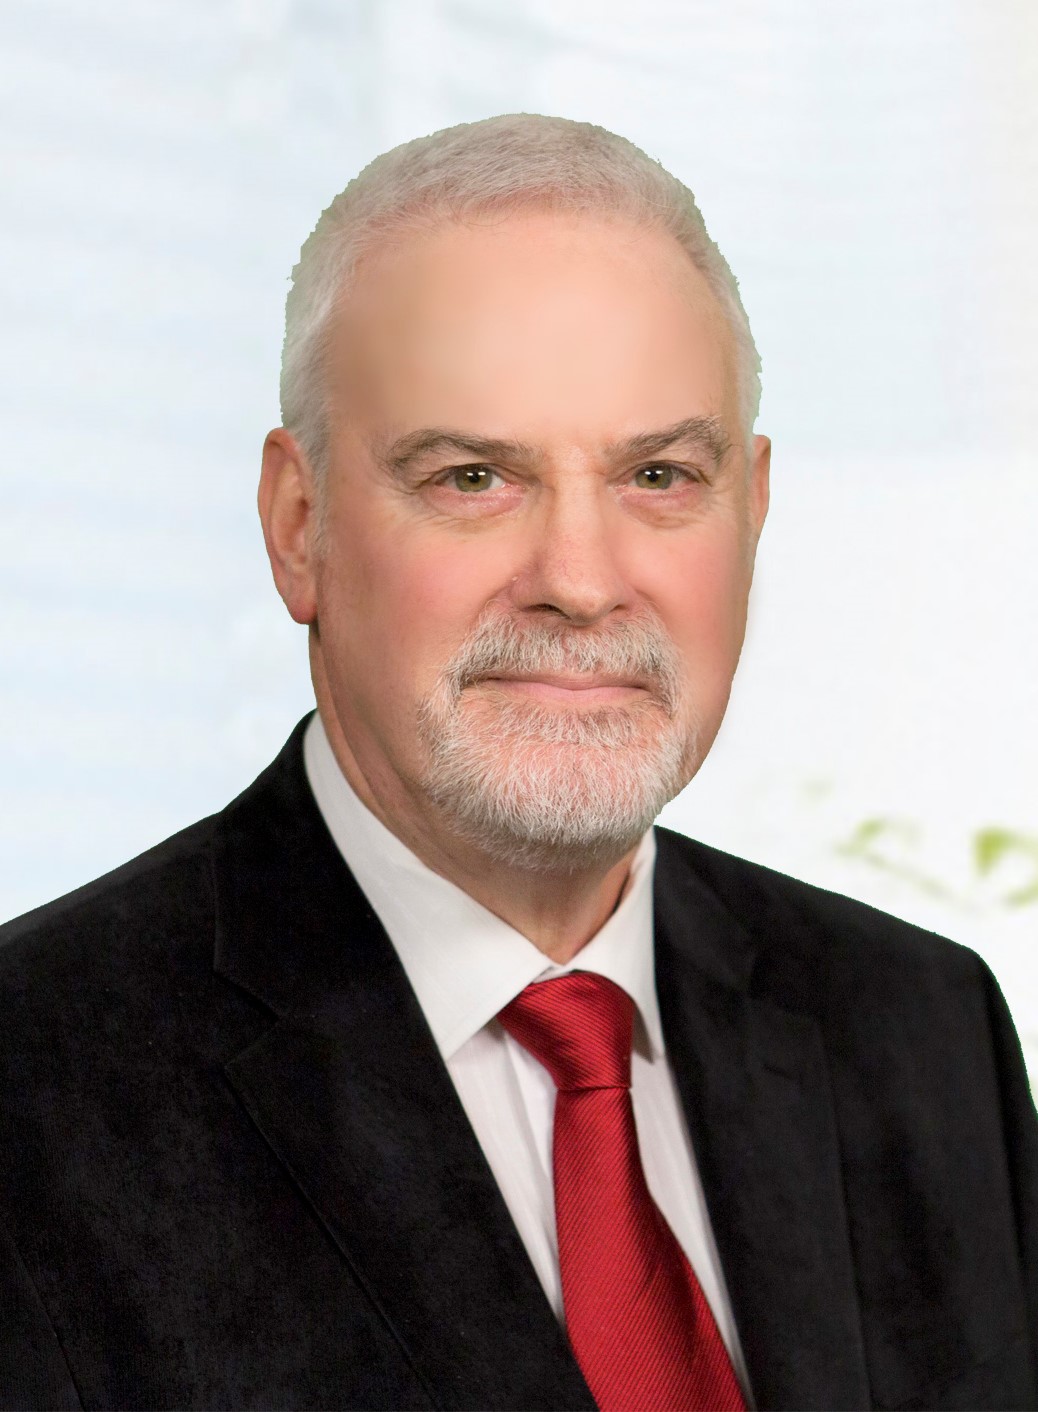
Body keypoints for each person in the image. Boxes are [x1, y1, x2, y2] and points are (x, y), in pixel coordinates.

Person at [0, 113, 1035, 1412]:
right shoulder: (35, 1090)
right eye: (473, 477)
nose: (581, 582)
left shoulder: (923, 1030)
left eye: (660, 474)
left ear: (753, 512)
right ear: (298, 526)